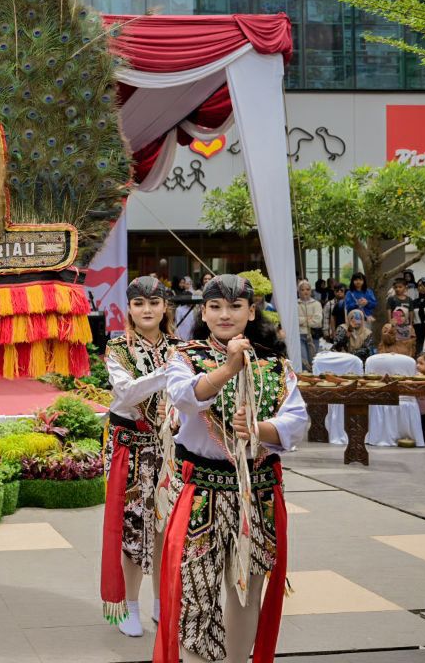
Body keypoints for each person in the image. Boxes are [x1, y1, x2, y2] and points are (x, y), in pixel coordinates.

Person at [158, 274, 308, 663]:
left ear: (251, 312)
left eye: (235, 306)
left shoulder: (274, 366)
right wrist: (227, 369)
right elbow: (184, 397)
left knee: (246, 590)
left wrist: (259, 429)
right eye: (216, 307)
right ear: (204, 314)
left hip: (257, 492)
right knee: (196, 591)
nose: (225, 314)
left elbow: (297, 421)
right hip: (203, 491)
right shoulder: (185, 357)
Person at [101, 276, 180, 637]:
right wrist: (169, 373)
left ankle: (162, 603)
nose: (147, 309)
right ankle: (129, 605)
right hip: (130, 446)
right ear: (130, 309)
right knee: (132, 527)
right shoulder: (118, 348)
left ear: (165, 307)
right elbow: (127, 392)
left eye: (154, 302)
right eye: (139, 303)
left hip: (170, 447)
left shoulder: (180, 348)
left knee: (166, 525)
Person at [295, 280, 322, 372]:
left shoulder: (317, 304)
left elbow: (317, 321)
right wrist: (308, 318)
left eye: (307, 289)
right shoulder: (294, 304)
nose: (305, 292)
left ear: (311, 290)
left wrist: (301, 321)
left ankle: (314, 378)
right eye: (302, 290)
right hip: (300, 335)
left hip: (313, 335)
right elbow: (294, 320)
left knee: (314, 360)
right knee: (304, 361)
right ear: (298, 291)